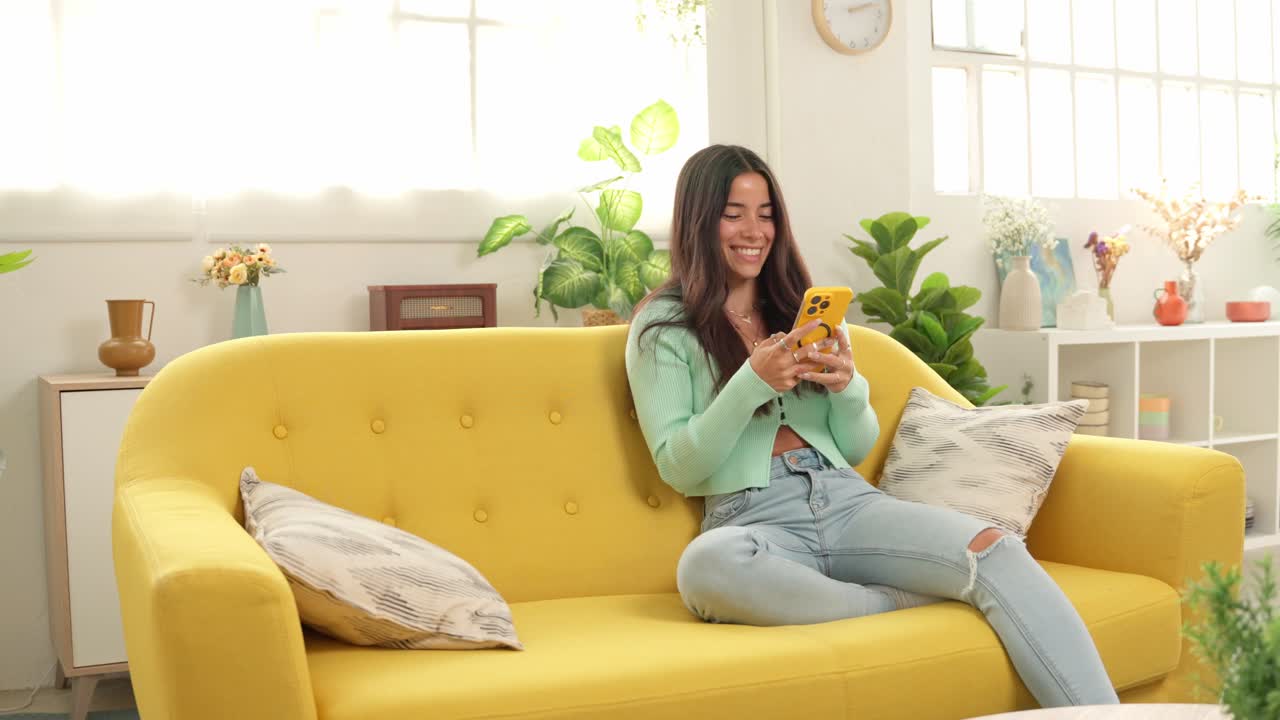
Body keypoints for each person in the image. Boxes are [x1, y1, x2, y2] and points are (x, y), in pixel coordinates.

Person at [623, 144, 1118, 708]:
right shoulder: (663, 325)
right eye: (733, 213)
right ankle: (891, 603)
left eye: (766, 214)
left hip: (847, 502)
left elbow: (856, 447)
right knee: (705, 568)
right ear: (697, 219)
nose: (753, 230)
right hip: (753, 518)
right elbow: (680, 467)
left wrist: (847, 386)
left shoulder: (803, 309)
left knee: (994, 549)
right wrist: (751, 382)